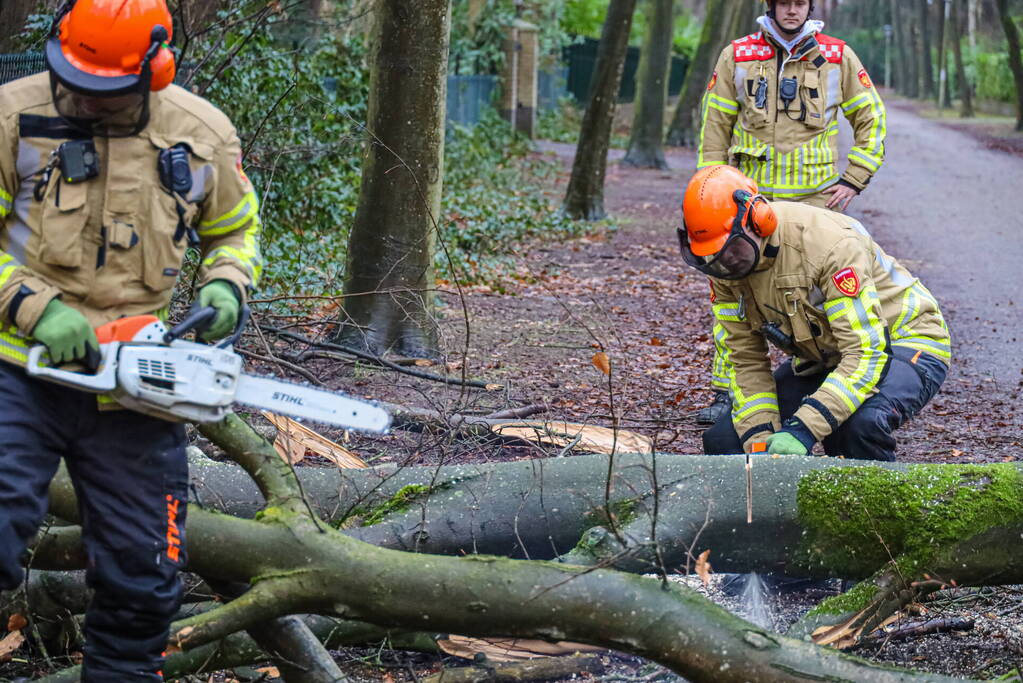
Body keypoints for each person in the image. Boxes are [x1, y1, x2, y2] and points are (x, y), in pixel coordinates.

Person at [0, 0, 262, 678]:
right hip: (18, 367)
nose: (84, 98)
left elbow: (234, 229)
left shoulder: (200, 133)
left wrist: (226, 284)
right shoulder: (11, 117)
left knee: (145, 575)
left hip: (136, 381)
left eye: (102, 88)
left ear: (154, 69)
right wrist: (31, 305)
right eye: (74, 80)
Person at [694, 0, 888, 425]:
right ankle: (729, 393)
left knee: (823, 298)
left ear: (810, 7)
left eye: (801, 2)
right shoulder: (738, 55)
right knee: (735, 298)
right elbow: (715, 128)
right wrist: (710, 191)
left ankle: (833, 379)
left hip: (815, 205)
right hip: (746, 209)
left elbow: (870, 118)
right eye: (785, 2)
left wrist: (854, 178)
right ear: (771, 6)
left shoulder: (838, 57)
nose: (792, 11)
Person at [678, 166, 948, 461]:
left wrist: (803, 429)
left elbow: (865, 353)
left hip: (903, 340)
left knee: (858, 427)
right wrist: (760, 439)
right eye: (714, 256)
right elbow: (744, 361)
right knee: (726, 440)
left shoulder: (830, 244)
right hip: (826, 355)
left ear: (758, 220)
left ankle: (876, 506)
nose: (725, 263)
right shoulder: (724, 266)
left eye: (732, 250)